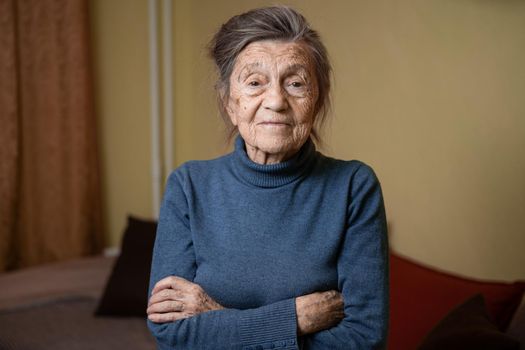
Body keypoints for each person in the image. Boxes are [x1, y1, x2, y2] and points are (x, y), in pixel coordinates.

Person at [147, 6, 388, 350]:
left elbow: (364, 339)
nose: (276, 101)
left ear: (317, 101)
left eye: (295, 83)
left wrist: (216, 316)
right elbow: (170, 334)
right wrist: (295, 319)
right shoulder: (189, 186)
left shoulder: (353, 186)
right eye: (255, 83)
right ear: (229, 102)